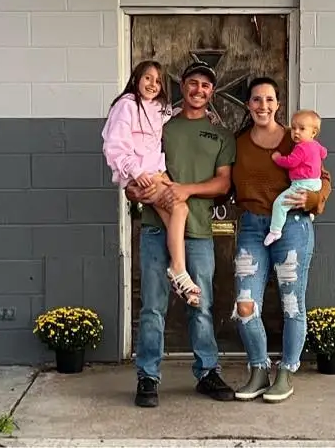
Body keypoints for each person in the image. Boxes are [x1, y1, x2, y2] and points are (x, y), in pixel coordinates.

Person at [124, 61, 237, 408]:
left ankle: (207, 372)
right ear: (183, 87)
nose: (198, 90)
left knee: (200, 304)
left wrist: (185, 190)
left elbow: (223, 182)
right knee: (153, 307)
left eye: (205, 85)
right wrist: (132, 190)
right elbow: (139, 166)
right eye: (192, 83)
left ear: (212, 92)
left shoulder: (221, 135)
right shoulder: (162, 126)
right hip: (158, 230)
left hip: (199, 231)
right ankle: (147, 377)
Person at [230, 77, 331, 404]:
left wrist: (314, 201)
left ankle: (286, 372)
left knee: (291, 304)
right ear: (248, 105)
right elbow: (224, 183)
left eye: (269, 99)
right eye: (256, 100)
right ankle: (259, 369)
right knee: (245, 305)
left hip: (293, 227)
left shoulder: (295, 139)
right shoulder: (239, 143)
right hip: (251, 228)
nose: (263, 105)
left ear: (278, 105)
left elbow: (323, 178)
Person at [100, 59, 201, 307]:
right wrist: (134, 172)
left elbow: (167, 119)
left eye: (157, 81)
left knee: (176, 216)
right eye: (148, 78)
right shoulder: (126, 106)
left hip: (157, 172)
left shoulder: (157, 107)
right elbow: (114, 146)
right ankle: (178, 270)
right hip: (144, 174)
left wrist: (192, 114)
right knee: (180, 207)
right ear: (136, 78)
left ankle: (180, 277)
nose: (153, 84)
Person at [265, 109, 328, 247]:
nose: (296, 132)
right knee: (303, 201)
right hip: (316, 183)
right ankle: (310, 213)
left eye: (302, 129)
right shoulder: (316, 145)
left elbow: (290, 162)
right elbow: (324, 153)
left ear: (313, 132)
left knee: (280, 204)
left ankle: (275, 230)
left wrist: (277, 158)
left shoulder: (301, 148)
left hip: (301, 184)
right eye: (293, 128)